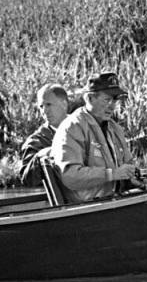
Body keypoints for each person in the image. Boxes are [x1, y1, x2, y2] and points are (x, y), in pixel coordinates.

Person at [51, 72, 137, 203]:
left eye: (115, 100)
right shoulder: (72, 128)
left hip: (114, 201)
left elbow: (128, 164)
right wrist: (112, 174)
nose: (113, 106)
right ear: (89, 99)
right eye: (107, 100)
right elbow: (70, 176)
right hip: (86, 208)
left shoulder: (115, 128)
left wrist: (134, 175)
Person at [19, 83, 69, 187]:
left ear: (64, 104)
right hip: (63, 198)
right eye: (41, 106)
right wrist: (41, 156)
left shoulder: (85, 126)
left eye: (49, 105)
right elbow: (27, 180)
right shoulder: (36, 141)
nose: (44, 111)